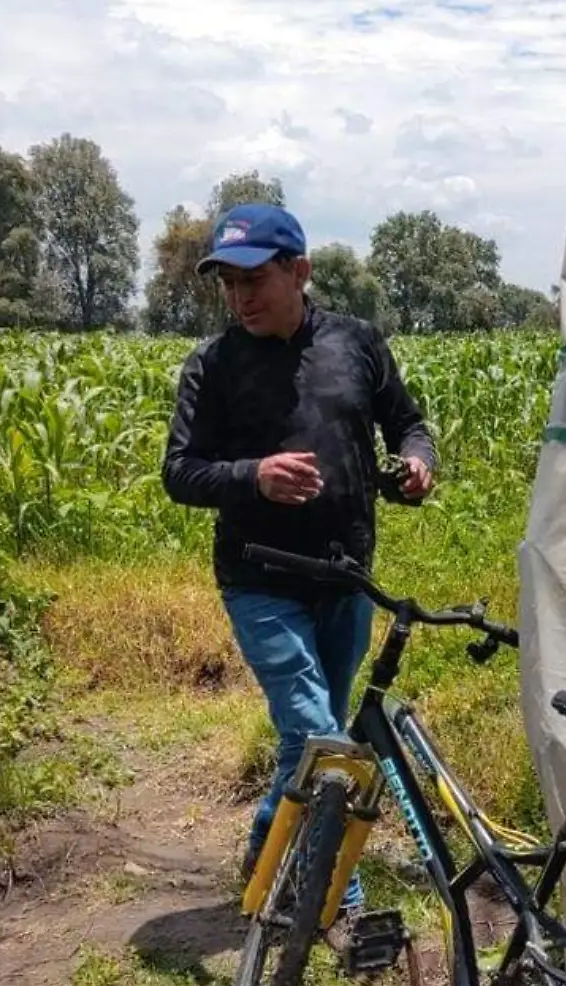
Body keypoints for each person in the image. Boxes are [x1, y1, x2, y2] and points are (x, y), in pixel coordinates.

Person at [160, 203, 436, 932]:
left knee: (304, 744)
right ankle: (333, 902)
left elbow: (407, 421)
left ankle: (263, 859)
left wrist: (416, 463)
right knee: (324, 741)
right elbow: (180, 473)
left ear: (300, 272)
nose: (240, 298)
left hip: (346, 580)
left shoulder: (357, 344)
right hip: (259, 580)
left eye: (254, 279)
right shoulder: (213, 367)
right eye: (227, 283)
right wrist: (254, 476)